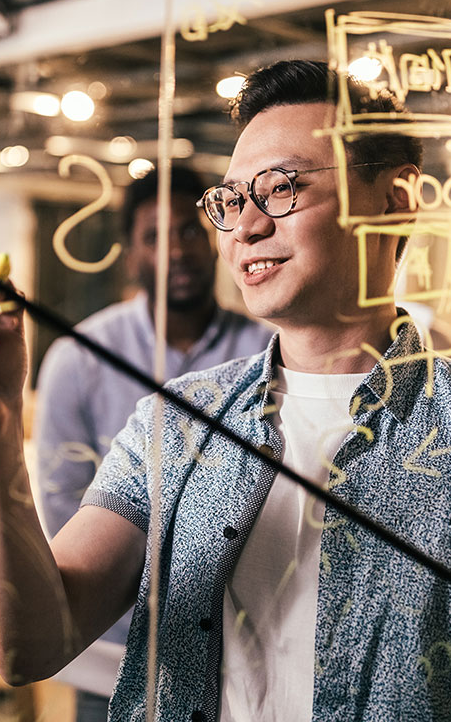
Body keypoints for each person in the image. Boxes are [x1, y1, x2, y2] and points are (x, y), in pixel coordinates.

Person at [0, 60, 451, 721]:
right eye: (231, 199)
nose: (246, 226)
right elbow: (29, 647)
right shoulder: (177, 423)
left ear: (394, 201)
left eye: (282, 188)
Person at [34, 166, 273, 720]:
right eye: (153, 236)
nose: (176, 251)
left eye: (191, 230)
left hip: (246, 642)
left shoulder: (269, 348)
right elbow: (61, 504)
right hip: (112, 643)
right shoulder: (80, 357)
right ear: (129, 253)